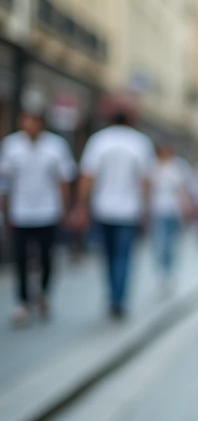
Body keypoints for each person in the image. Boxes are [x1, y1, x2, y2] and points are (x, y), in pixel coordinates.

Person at [0, 93, 77, 325]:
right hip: (20, 212)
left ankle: (43, 293)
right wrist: (5, 210)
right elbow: (5, 181)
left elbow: (64, 180)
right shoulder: (12, 145)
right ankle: (23, 302)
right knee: (20, 259)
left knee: (45, 257)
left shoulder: (56, 146)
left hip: (47, 211)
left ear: (41, 123)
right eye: (25, 119)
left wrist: (65, 209)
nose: (29, 125)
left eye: (33, 120)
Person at [71, 108, 155, 321]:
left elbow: (87, 177)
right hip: (129, 211)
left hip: (103, 208)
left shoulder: (99, 141)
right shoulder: (140, 142)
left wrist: (82, 206)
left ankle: (112, 297)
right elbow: (146, 180)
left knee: (108, 256)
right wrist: (146, 208)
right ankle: (119, 299)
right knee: (124, 256)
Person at [148, 143, 193, 291]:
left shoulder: (178, 167)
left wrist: (186, 207)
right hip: (158, 211)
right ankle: (161, 271)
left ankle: (169, 271)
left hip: (173, 211)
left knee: (171, 243)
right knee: (160, 242)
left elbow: (182, 190)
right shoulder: (154, 167)